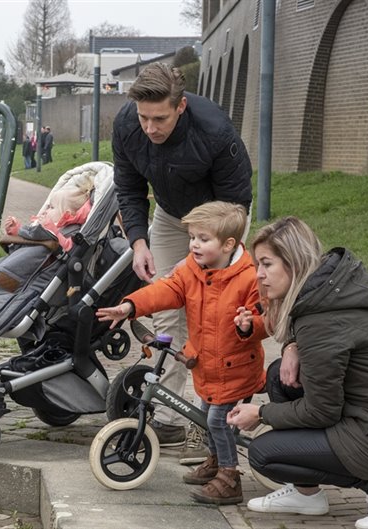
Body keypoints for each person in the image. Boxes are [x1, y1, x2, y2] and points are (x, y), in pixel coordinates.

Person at [226, 216, 368, 529]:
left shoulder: (321, 321)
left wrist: (260, 413)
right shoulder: (327, 291)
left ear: (294, 263)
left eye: (267, 264)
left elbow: (321, 411)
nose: (259, 274)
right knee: (278, 377)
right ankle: (306, 495)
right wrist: (291, 346)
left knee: (263, 454)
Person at [112, 61, 253, 459]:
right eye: (144, 118)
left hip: (219, 219)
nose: (150, 128)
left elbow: (236, 205)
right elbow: (128, 187)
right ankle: (173, 418)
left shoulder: (215, 132)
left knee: (215, 316)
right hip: (172, 218)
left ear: (181, 107)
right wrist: (138, 242)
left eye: (160, 119)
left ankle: (214, 419)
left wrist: (207, 252)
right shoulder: (127, 125)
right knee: (167, 312)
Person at [96, 201, 266, 505]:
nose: (194, 245)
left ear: (228, 244)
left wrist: (247, 325)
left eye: (203, 239)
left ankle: (229, 477)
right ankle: (216, 461)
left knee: (216, 421)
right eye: (192, 237)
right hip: (206, 365)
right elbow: (167, 290)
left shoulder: (249, 278)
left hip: (236, 367)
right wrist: (130, 306)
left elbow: (264, 320)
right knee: (205, 418)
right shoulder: (192, 268)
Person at [4, 177, 92, 252]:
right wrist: (16, 231)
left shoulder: (72, 230)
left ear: (66, 214)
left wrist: (54, 232)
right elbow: (31, 240)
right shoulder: (51, 224)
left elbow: (69, 248)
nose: (46, 210)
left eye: (52, 207)